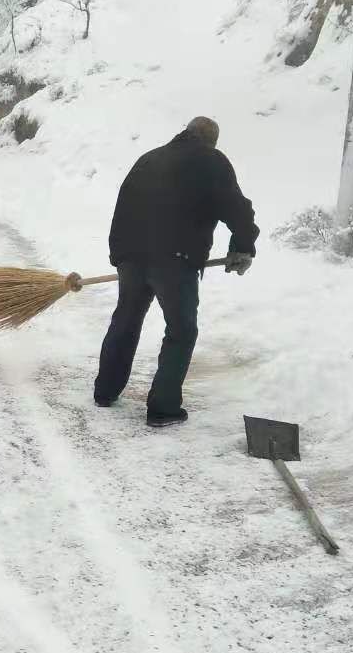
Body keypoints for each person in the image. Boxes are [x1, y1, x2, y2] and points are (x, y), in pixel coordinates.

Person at [93, 116, 258, 428]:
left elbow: (122, 206)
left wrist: (121, 255)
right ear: (210, 140)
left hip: (131, 256)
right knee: (182, 331)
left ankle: (105, 390)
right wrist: (243, 245)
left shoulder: (149, 158)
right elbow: (236, 207)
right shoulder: (211, 161)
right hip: (174, 260)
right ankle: (163, 407)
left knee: (126, 320)